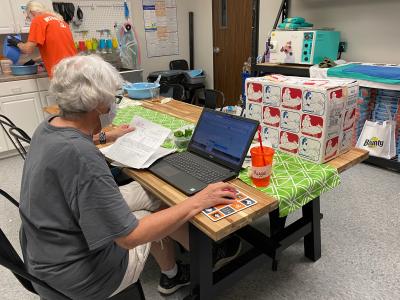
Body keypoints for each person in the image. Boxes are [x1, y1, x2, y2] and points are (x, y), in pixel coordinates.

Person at [19, 55, 241, 299]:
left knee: (151, 191)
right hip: (82, 277)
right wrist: (199, 200)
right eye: (111, 99)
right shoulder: (82, 157)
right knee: (154, 214)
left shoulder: (48, 126)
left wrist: (105, 137)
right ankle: (179, 269)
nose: (112, 106)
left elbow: (75, 145)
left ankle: (190, 254)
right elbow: (129, 237)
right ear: (96, 104)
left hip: (49, 250)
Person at [7, 1, 76, 77]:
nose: (30, 20)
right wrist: (34, 60)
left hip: (61, 72)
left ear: (31, 12)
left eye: (28, 17)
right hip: (74, 68)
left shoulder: (38, 20)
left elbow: (28, 50)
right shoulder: (60, 21)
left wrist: (17, 43)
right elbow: (57, 51)